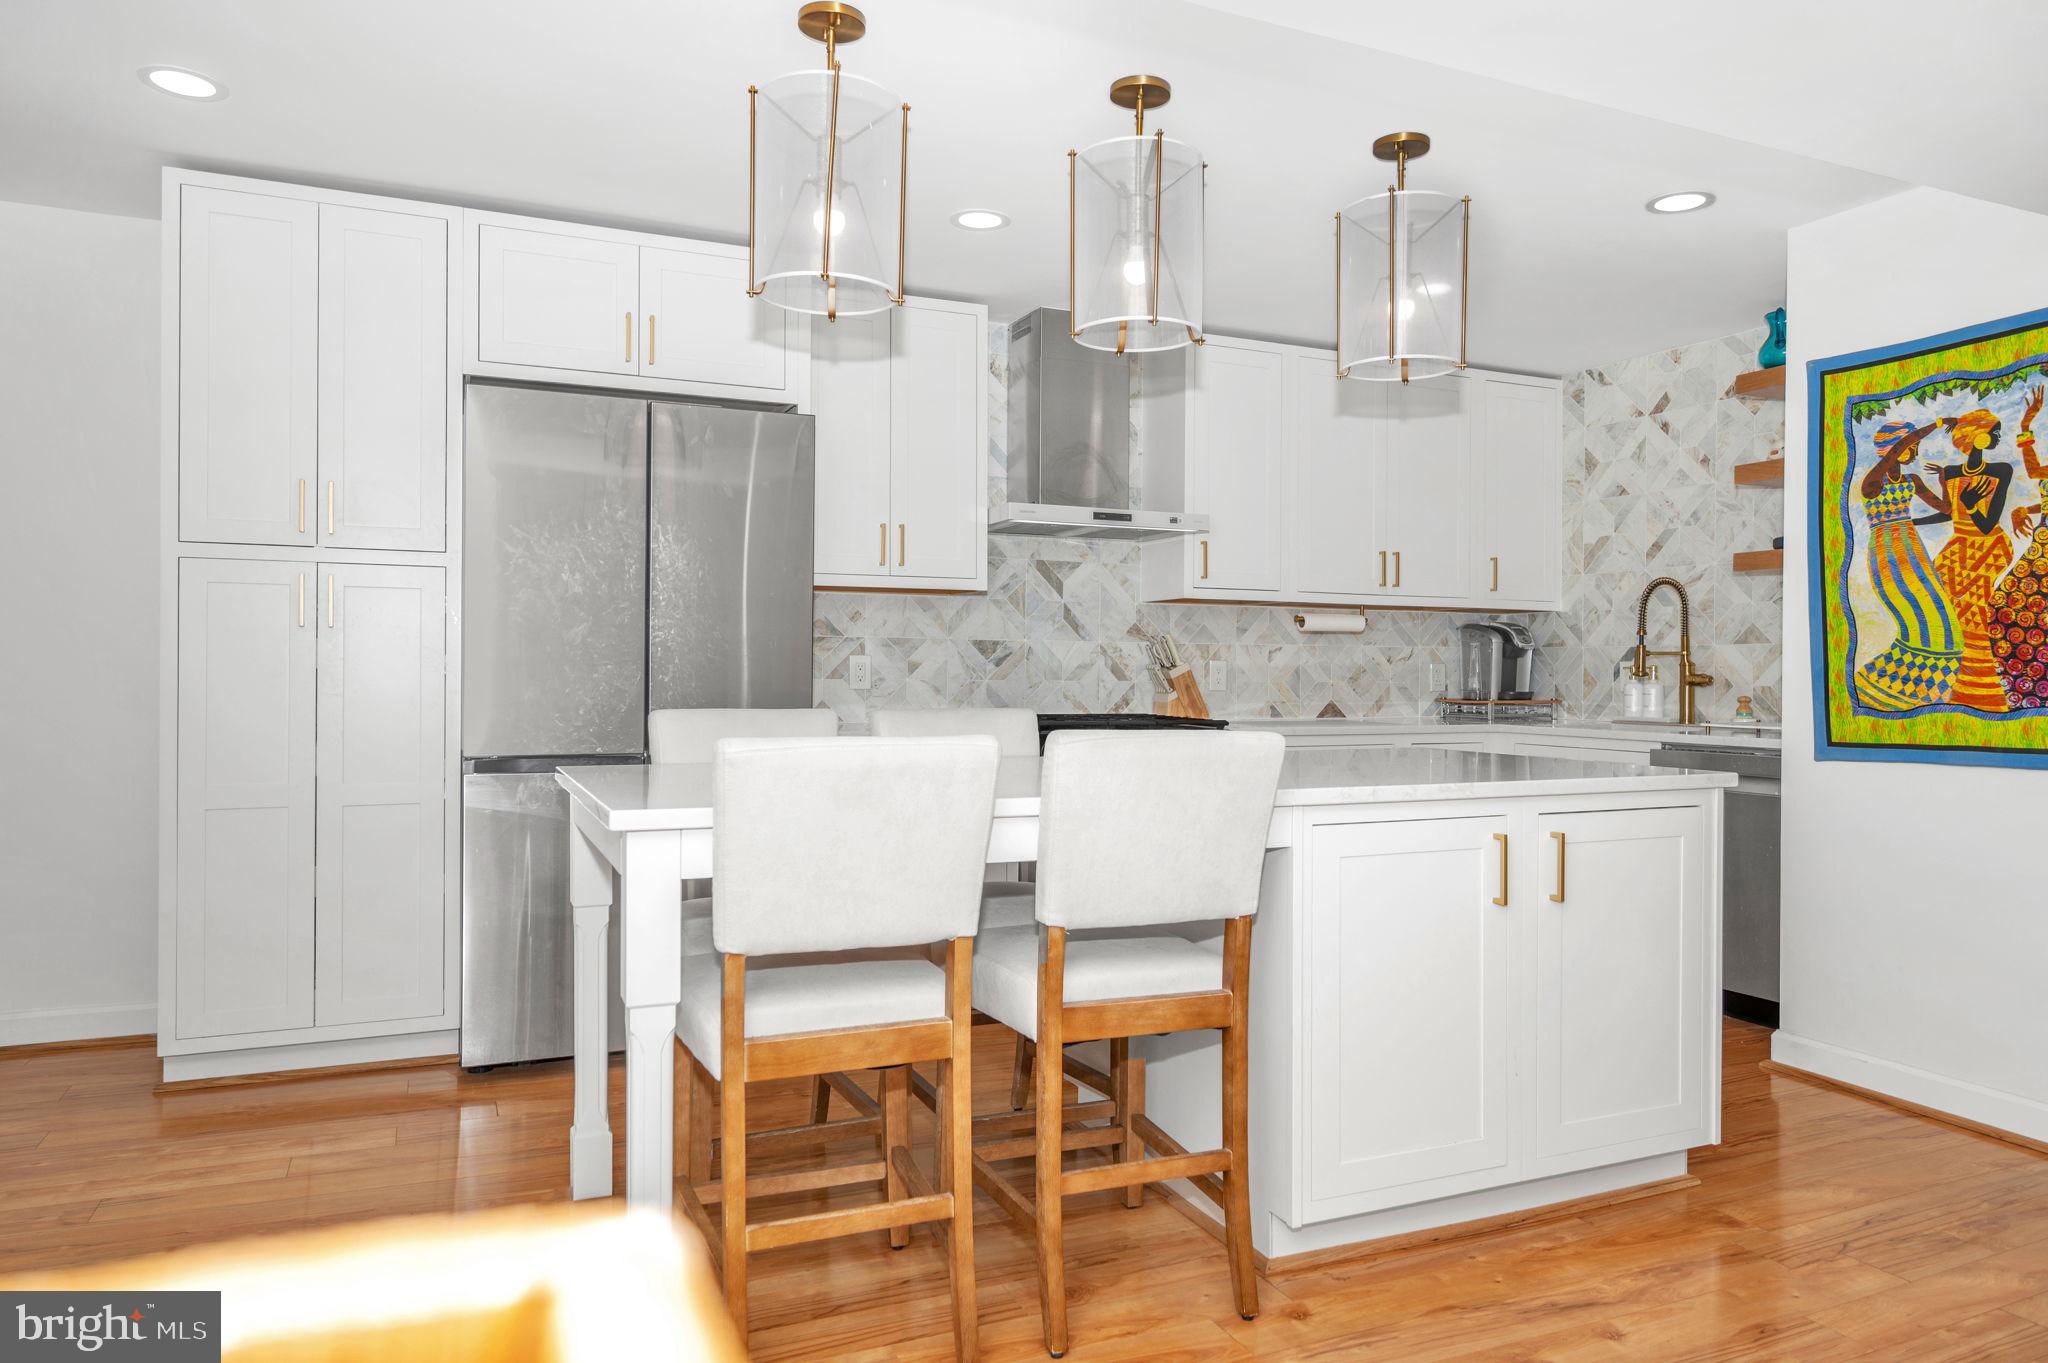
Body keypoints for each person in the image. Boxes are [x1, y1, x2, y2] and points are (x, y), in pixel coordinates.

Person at [1852, 420, 1961, 711]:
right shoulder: (1872, 482)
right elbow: (1897, 449)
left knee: (1940, 616)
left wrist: (1944, 483)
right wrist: (1937, 424)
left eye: (1914, 447)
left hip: (1912, 548)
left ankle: (1924, 685)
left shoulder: (1912, 481)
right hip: (1887, 553)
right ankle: (1889, 686)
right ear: (1893, 449)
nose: (1914, 451)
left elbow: (1947, 510)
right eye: (1910, 446)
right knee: (1916, 616)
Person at [1917, 408, 2018, 712]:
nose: (1998, 437)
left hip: (1987, 548)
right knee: (1943, 611)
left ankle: (1982, 689)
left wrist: (1972, 505)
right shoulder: (1950, 472)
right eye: (1994, 431)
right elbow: (1949, 513)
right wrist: (1912, 523)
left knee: (1975, 616)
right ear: (1978, 435)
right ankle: (1949, 683)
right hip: (1958, 547)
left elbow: (1987, 525)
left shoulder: (2001, 470)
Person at [1990, 386, 2048, 708]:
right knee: (2003, 606)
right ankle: (2023, 692)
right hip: (2041, 549)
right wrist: (2028, 509)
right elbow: (2034, 472)